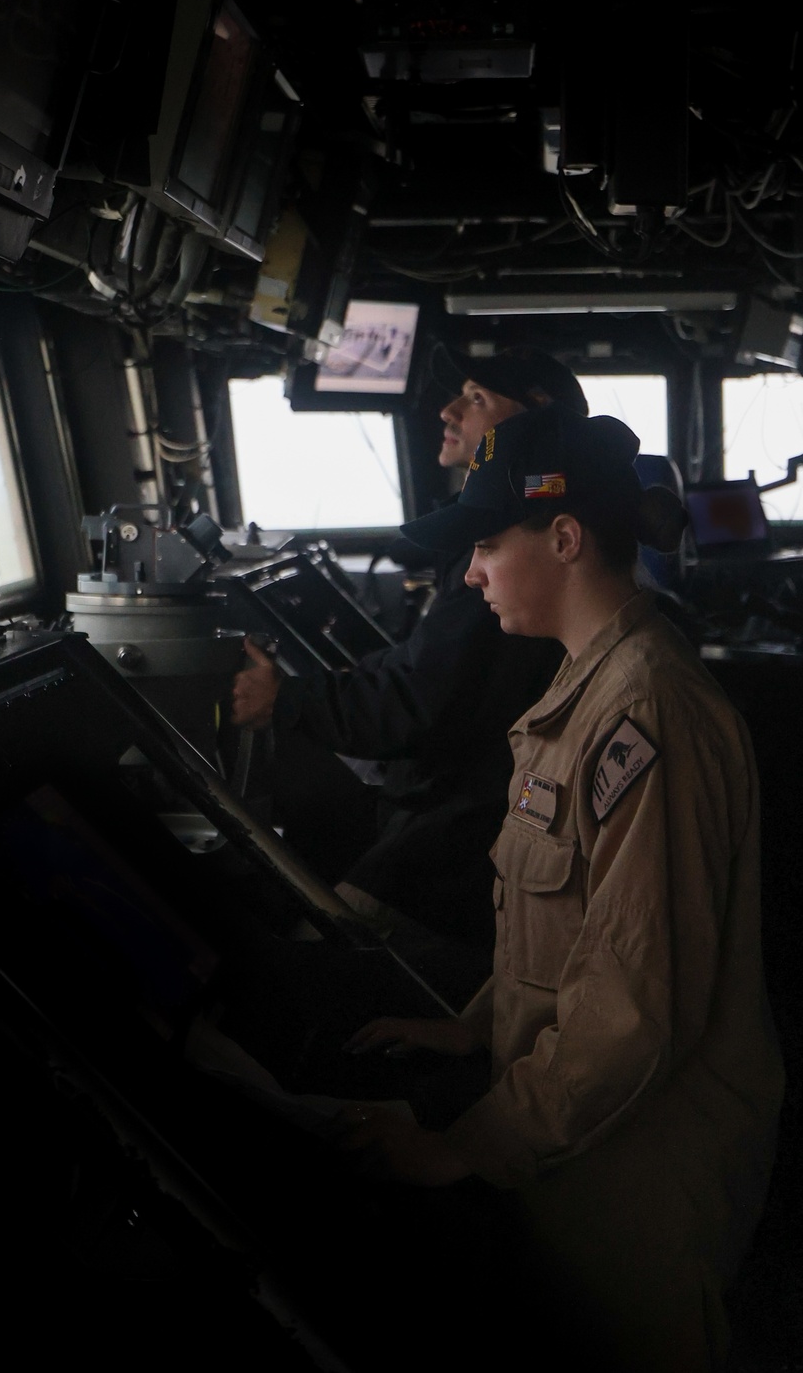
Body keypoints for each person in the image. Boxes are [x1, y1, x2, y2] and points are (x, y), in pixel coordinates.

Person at [336, 404, 785, 1371]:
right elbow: (581, 922)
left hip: (641, 1165)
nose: (471, 573)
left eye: (487, 545)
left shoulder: (645, 714)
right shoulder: (587, 688)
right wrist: (477, 1024)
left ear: (567, 539)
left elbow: (630, 1005)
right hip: (579, 1128)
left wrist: (468, 1144)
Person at [231, 348, 587, 980]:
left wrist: (288, 700)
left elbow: (422, 703)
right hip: (477, 820)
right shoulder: (524, 553)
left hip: (464, 837)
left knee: (309, 969)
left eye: (477, 398)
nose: (448, 411)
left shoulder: (528, 564)